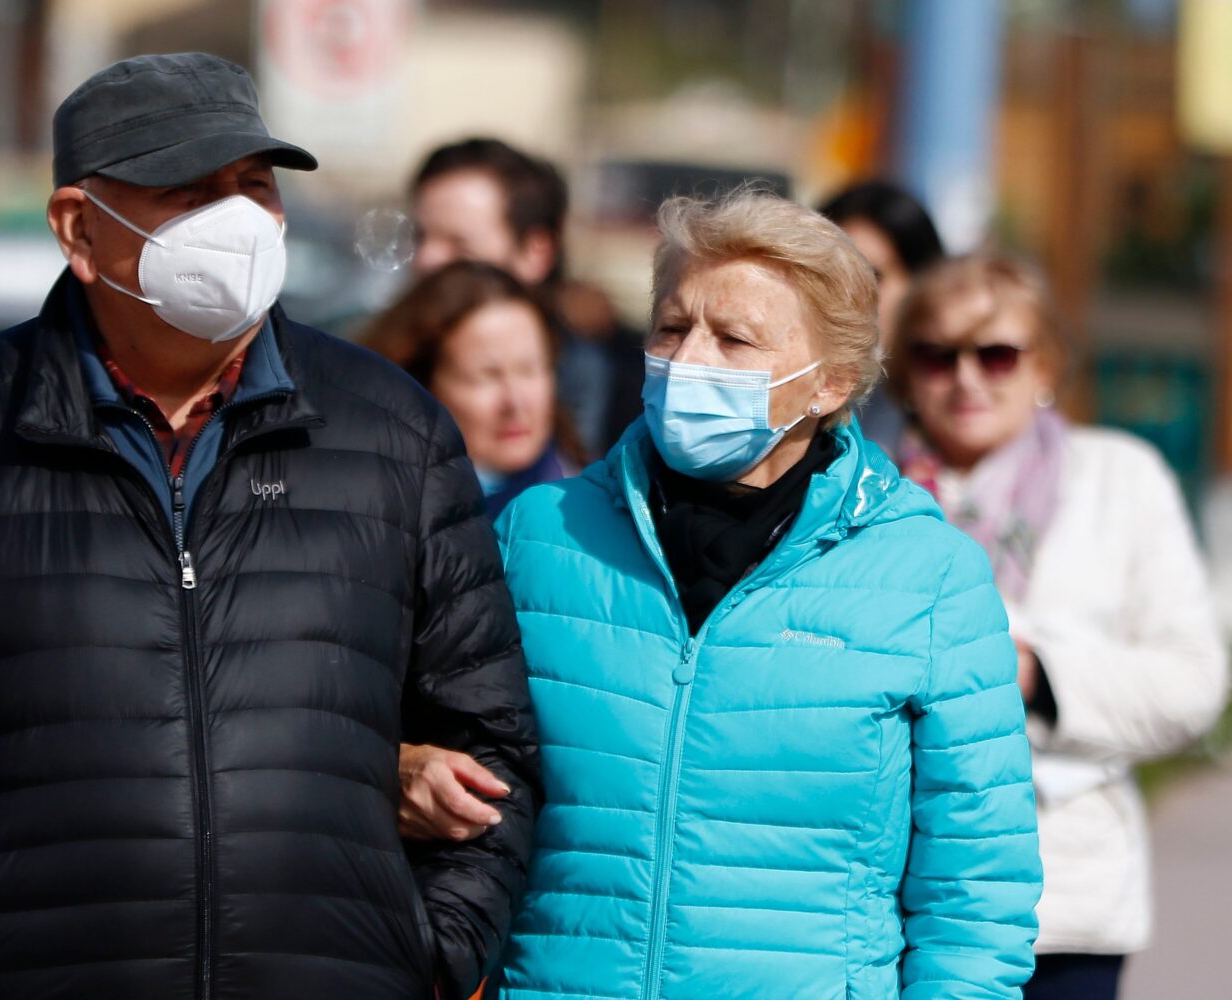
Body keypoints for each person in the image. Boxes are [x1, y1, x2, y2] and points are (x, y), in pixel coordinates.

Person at [0, 52, 539, 1000]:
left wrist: (433, 952)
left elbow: (492, 738)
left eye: (254, 186)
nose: (238, 222)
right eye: (189, 193)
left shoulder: (394, 432)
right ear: (79, 229)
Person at [403, 188, 1043, 998]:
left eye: (734, 338)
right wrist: (402, 766)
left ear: (831, 382)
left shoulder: (929, 575)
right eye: (672, 328)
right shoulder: (540, 535)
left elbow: (977, 893)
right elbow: (415, 742)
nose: (688, 360)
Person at [889, 254, 1229, 1000]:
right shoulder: (866, 491)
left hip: (1064, 902)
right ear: (906, 371)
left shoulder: (1121, 479)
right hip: (897, 902)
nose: (967, 379)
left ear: (1043, 365)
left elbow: (1193, 683)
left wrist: (1036, 675)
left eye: (997, 354)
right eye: (938, 355)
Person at [410, 137, 642, 458]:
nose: (426, 260)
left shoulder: (611, 387)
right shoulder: (377, 365)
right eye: (419, 237)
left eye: (460, 245)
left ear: (535, 252)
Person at [364, 261, 583, 519]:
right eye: (486, 376)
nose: (515, 401)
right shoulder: (374, 513)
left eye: (529, 370)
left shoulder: (590, 512)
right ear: (421, 385)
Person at [819, 179, 945, 457]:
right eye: (830, 275)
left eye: (871, 276)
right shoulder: (780, 398)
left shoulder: (958, 402)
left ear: (922, 286)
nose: (847, 295)